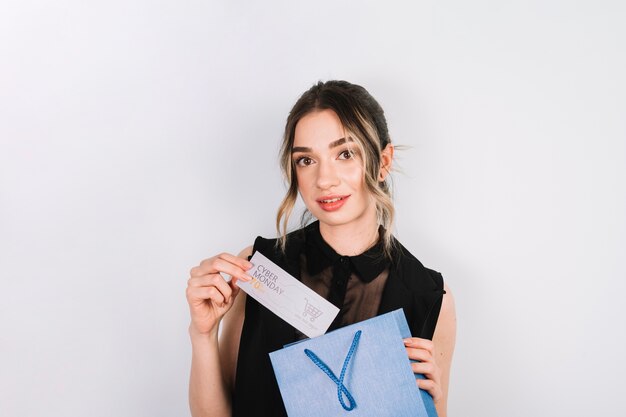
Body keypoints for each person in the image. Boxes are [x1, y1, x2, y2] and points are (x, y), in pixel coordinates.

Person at [186, 80, 457, 417]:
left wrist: (436, 401)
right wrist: (202, 333)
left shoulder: (429, 294)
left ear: (383, 161)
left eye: (345, 153)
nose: (324, 179)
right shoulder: (258, 268)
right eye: (306, 161)